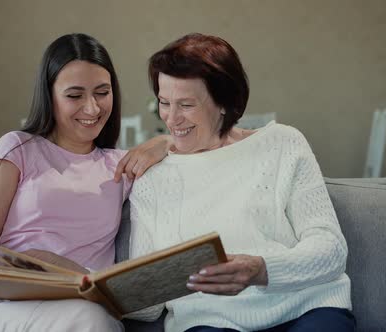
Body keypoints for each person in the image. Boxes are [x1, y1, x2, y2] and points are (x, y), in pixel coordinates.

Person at [127, 33, 355, 332]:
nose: (171, 118)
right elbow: (147, 307)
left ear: (225, 102)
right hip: (208, 322)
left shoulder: (283, 144)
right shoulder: (151, 178)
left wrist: (261, 270)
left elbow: (331, 250)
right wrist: (95, 291)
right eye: (164, 102)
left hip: (305, 309)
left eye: (186, 104)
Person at [0, 33, 171, 331]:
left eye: (102, 93)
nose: (92, 108)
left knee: (94, 320)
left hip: (79, 307)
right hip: (0, 307)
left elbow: (204, 146)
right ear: (49, 95)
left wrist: (166, 141)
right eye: (75, 95)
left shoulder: (121, 166)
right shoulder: (17, 149)